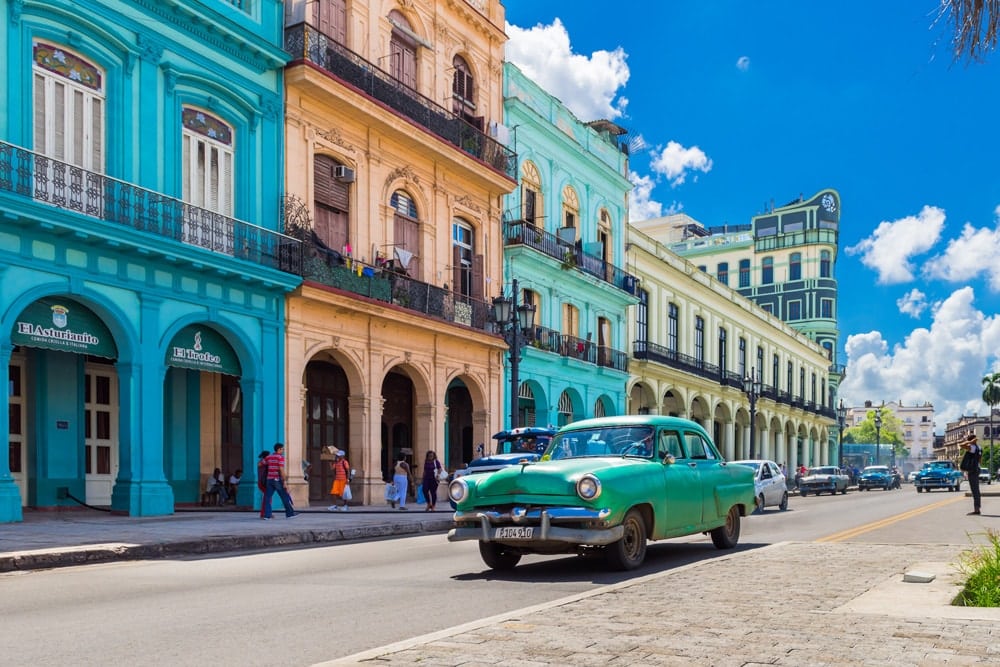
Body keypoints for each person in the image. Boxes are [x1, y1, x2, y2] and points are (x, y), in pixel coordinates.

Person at [262, 443, 298, 520]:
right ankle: (290, 514)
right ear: (279, 449)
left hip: (269, 479)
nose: (283, 450)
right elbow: (281, 470)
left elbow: (260, 464)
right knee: (284, 496)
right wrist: (284, 481)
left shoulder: (269, 457)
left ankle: (267, 515)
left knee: (267, 497)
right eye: (282, 449)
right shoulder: (280, 458)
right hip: (277, 480)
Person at [959, 432, 983, 515]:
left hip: (972, 470)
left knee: (975, 490)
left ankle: (977, 510)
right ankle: (977, 508)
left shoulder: (971, 447)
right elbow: (980, 460)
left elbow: (961, 445)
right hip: (977, 469)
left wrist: (969, 442)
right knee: (976, 489)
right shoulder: (979, 447)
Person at [256, 451, 269, 518]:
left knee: (267, 498)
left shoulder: (262, 461)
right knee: (267, 498)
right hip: (263, 482)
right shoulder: (263, 462)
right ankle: (264, 513)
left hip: (262, 482)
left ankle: (265, 513)